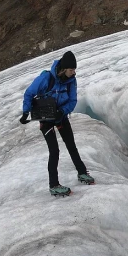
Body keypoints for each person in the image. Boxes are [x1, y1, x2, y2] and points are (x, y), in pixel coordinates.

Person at [19, 51, 95, 196]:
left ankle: (82, 173)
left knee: (71, 146)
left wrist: (63, 111)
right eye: (71, 70)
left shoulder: (71, 80)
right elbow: (29, 93)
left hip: (61, 117)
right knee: (54, 151)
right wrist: (25, 112)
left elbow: (72, 101)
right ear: (64, 69)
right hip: (46, 120)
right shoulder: (46, 78)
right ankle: (54, 185)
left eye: (74, 70)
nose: (74, 73)